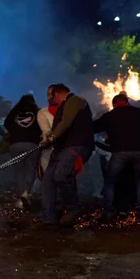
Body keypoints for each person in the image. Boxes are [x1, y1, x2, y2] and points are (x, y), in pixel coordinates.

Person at [94, 92, 140, 221]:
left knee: (110, 180)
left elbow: (94, 127)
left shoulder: (111, 115)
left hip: (120, 152)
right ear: (127, 102)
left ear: (115, 104)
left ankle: (109, 210)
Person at [41, 83, 94, 226]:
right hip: (61, 147)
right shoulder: (63, 106)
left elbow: (66, 122)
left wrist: (52, 138)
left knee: (61, 175)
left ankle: (73, 208)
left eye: (51, 95)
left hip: (75, 145)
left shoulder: (75, 100)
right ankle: (49, 218)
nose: (49, 99)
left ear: (58, 94)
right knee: (48, 180)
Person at [4, 94, 43, 210]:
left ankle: (19, 197)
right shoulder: (37, 111)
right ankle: (26, 194)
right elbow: (43, 125)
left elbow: (6, 123)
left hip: (15, 144)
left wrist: (16, 132)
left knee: (19, 170)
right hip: (32, 144)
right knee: (31, 169)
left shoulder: (15, 111)